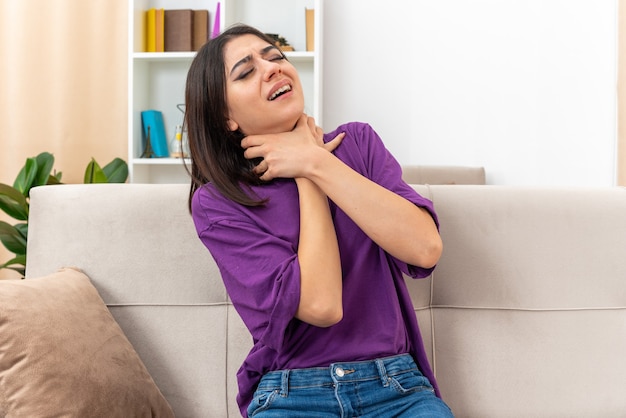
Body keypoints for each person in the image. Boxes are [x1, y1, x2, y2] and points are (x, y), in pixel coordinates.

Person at [186, 24, 453, 418]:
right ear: (226, 117)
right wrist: (306, 172)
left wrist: (315, 160)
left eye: (275, 56)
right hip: (292, 394)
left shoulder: (357, 145)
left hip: (397, 389)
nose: (272, 68)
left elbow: (425, 248)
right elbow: (322, 304)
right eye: (245, 72)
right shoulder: (219, 204)